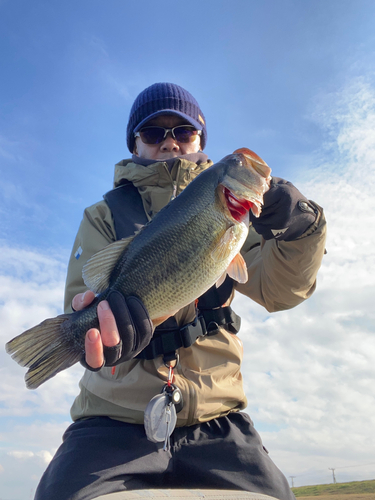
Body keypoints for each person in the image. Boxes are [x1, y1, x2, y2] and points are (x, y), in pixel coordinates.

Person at [34, 83, 326, 500]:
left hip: (218, 417)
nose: (169, 142)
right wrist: (95, 342)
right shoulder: (102, 214)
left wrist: (303, 229)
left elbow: (281, 290)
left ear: (200, 141)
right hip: (111, 421)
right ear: (135, 144)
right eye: (153, 133)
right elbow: (84, 296)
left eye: (183, 131)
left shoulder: (239, 217)